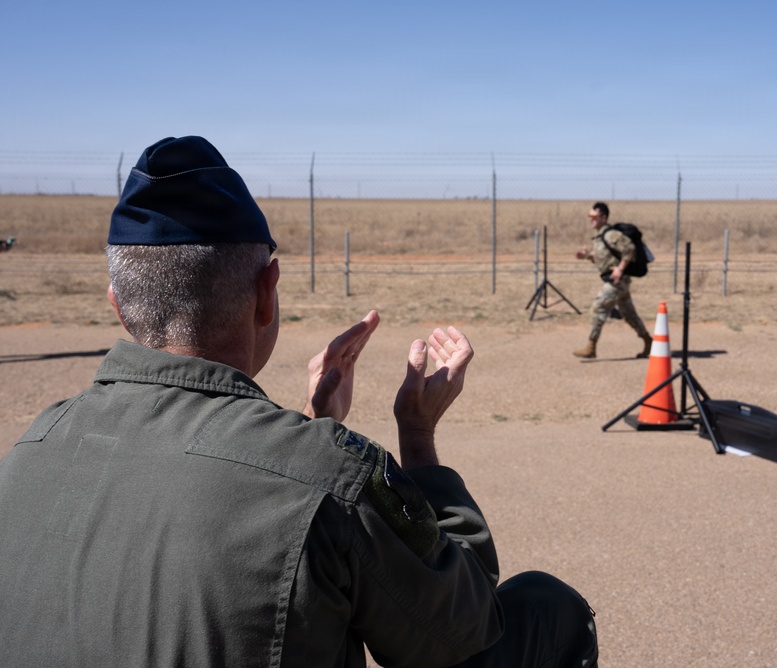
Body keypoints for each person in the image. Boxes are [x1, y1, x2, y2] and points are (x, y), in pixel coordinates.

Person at [0, 136, 598, 667]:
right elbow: (462, 625)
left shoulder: (33, 447)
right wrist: (417, 438)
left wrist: (312, 428)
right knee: (548, 609)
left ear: (117, 303)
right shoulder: (329, 472)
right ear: (267, 292)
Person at [573, 201, 652, 359]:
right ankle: (649, 342)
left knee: (598, 308)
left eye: (594, 216)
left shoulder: (610, 235)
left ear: (603, 217)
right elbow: (603, 259)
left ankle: (591, 346)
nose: (591, 219)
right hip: (618, 282)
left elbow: (630, 249)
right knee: (629, 315)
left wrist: (620, 269)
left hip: (617, 282)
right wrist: (586, 256)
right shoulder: (600, 236)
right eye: (590, 216)